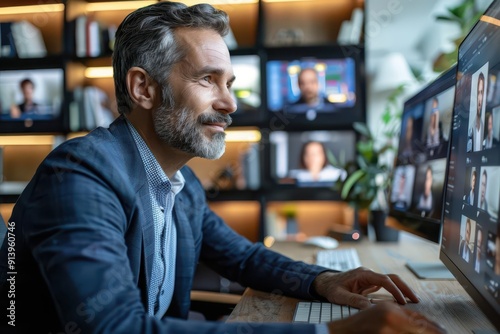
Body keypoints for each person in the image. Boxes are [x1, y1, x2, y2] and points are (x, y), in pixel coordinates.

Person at [0, 3, 445, 334]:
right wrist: (328, 331)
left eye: (229, 84)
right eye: (207, 79)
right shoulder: (81, 175)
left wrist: (326, 281)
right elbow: (115, 329)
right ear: (143, 88)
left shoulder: (178, 182)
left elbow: (244, 257)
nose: (230, 104)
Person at [469, 72, 485, 152]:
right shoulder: (470, 124)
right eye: (478, 92)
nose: (479, 98)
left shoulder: (483, 124)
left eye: (481, 92)